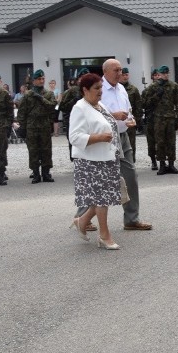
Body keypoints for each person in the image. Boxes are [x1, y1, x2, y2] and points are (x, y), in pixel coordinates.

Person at [95, 59, 152, 231]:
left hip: (123, 136)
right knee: (99, 178)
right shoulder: (98, 88)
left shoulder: (121, 88)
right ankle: (82, 216)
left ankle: (131, 219)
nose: (120, 73)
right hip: (105, 138)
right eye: (116, 70)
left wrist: (130, 119)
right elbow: (91, 113)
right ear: (105, 72)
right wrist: (113, 115)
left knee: (130, 176)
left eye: (121, 70)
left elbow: (128, 111)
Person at [68, 73, 123, 250]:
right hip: (91, 161)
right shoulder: (79, 108)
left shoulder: (99, 105)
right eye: (96, 88)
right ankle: (104, 236)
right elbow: (74, 137)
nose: (100, 91)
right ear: (85, 90)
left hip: (108, 158)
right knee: (101, 199)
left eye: (101, 88)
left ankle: (81, 220)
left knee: (104, 197)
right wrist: (98, 137)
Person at [16, 69, 57, 183]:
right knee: (33, 150)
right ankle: (35, 174)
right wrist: (22, 127)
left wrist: (40, 98)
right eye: (39, 79)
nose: (41, 81)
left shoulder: (49, 93)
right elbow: (22, 112)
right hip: (31, 126)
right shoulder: (28, 94)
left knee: (46, 150)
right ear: (34, 81)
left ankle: (46, 173)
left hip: (44, 125)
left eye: (43, 79)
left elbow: (52, 106)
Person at [142, 65, 178, 175]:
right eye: (163, 73)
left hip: (170, 117)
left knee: (171, 142)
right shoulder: (153, 87)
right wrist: (156, 96)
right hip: (158, 119)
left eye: (167, 73)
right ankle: (162, 165)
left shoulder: (174, 86)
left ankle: (171, 164)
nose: (165, 75)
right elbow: (145, 104)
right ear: (159, 74)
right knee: (160, 142)